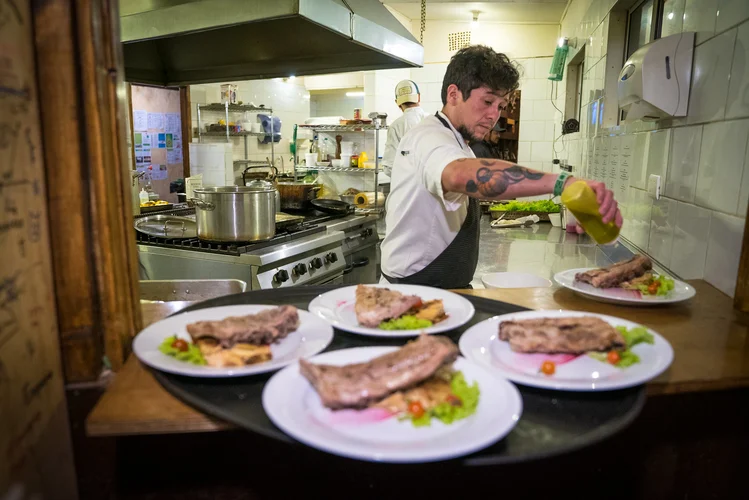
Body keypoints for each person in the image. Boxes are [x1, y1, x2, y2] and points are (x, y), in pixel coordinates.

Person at [380, 45, 622, 289]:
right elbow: (458, 174)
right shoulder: (429, 137)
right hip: (411, 291)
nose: (493, 115)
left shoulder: (460, 142)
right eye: (487, 101)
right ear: (453, 94)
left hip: (443, 288)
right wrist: (562, 183)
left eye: (500, 106)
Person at [381, 79, 428, 177]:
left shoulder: (396, 126)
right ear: (418, 97)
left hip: (406, 189)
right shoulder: (434, 121)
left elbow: (389, 167)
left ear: (397, 103)